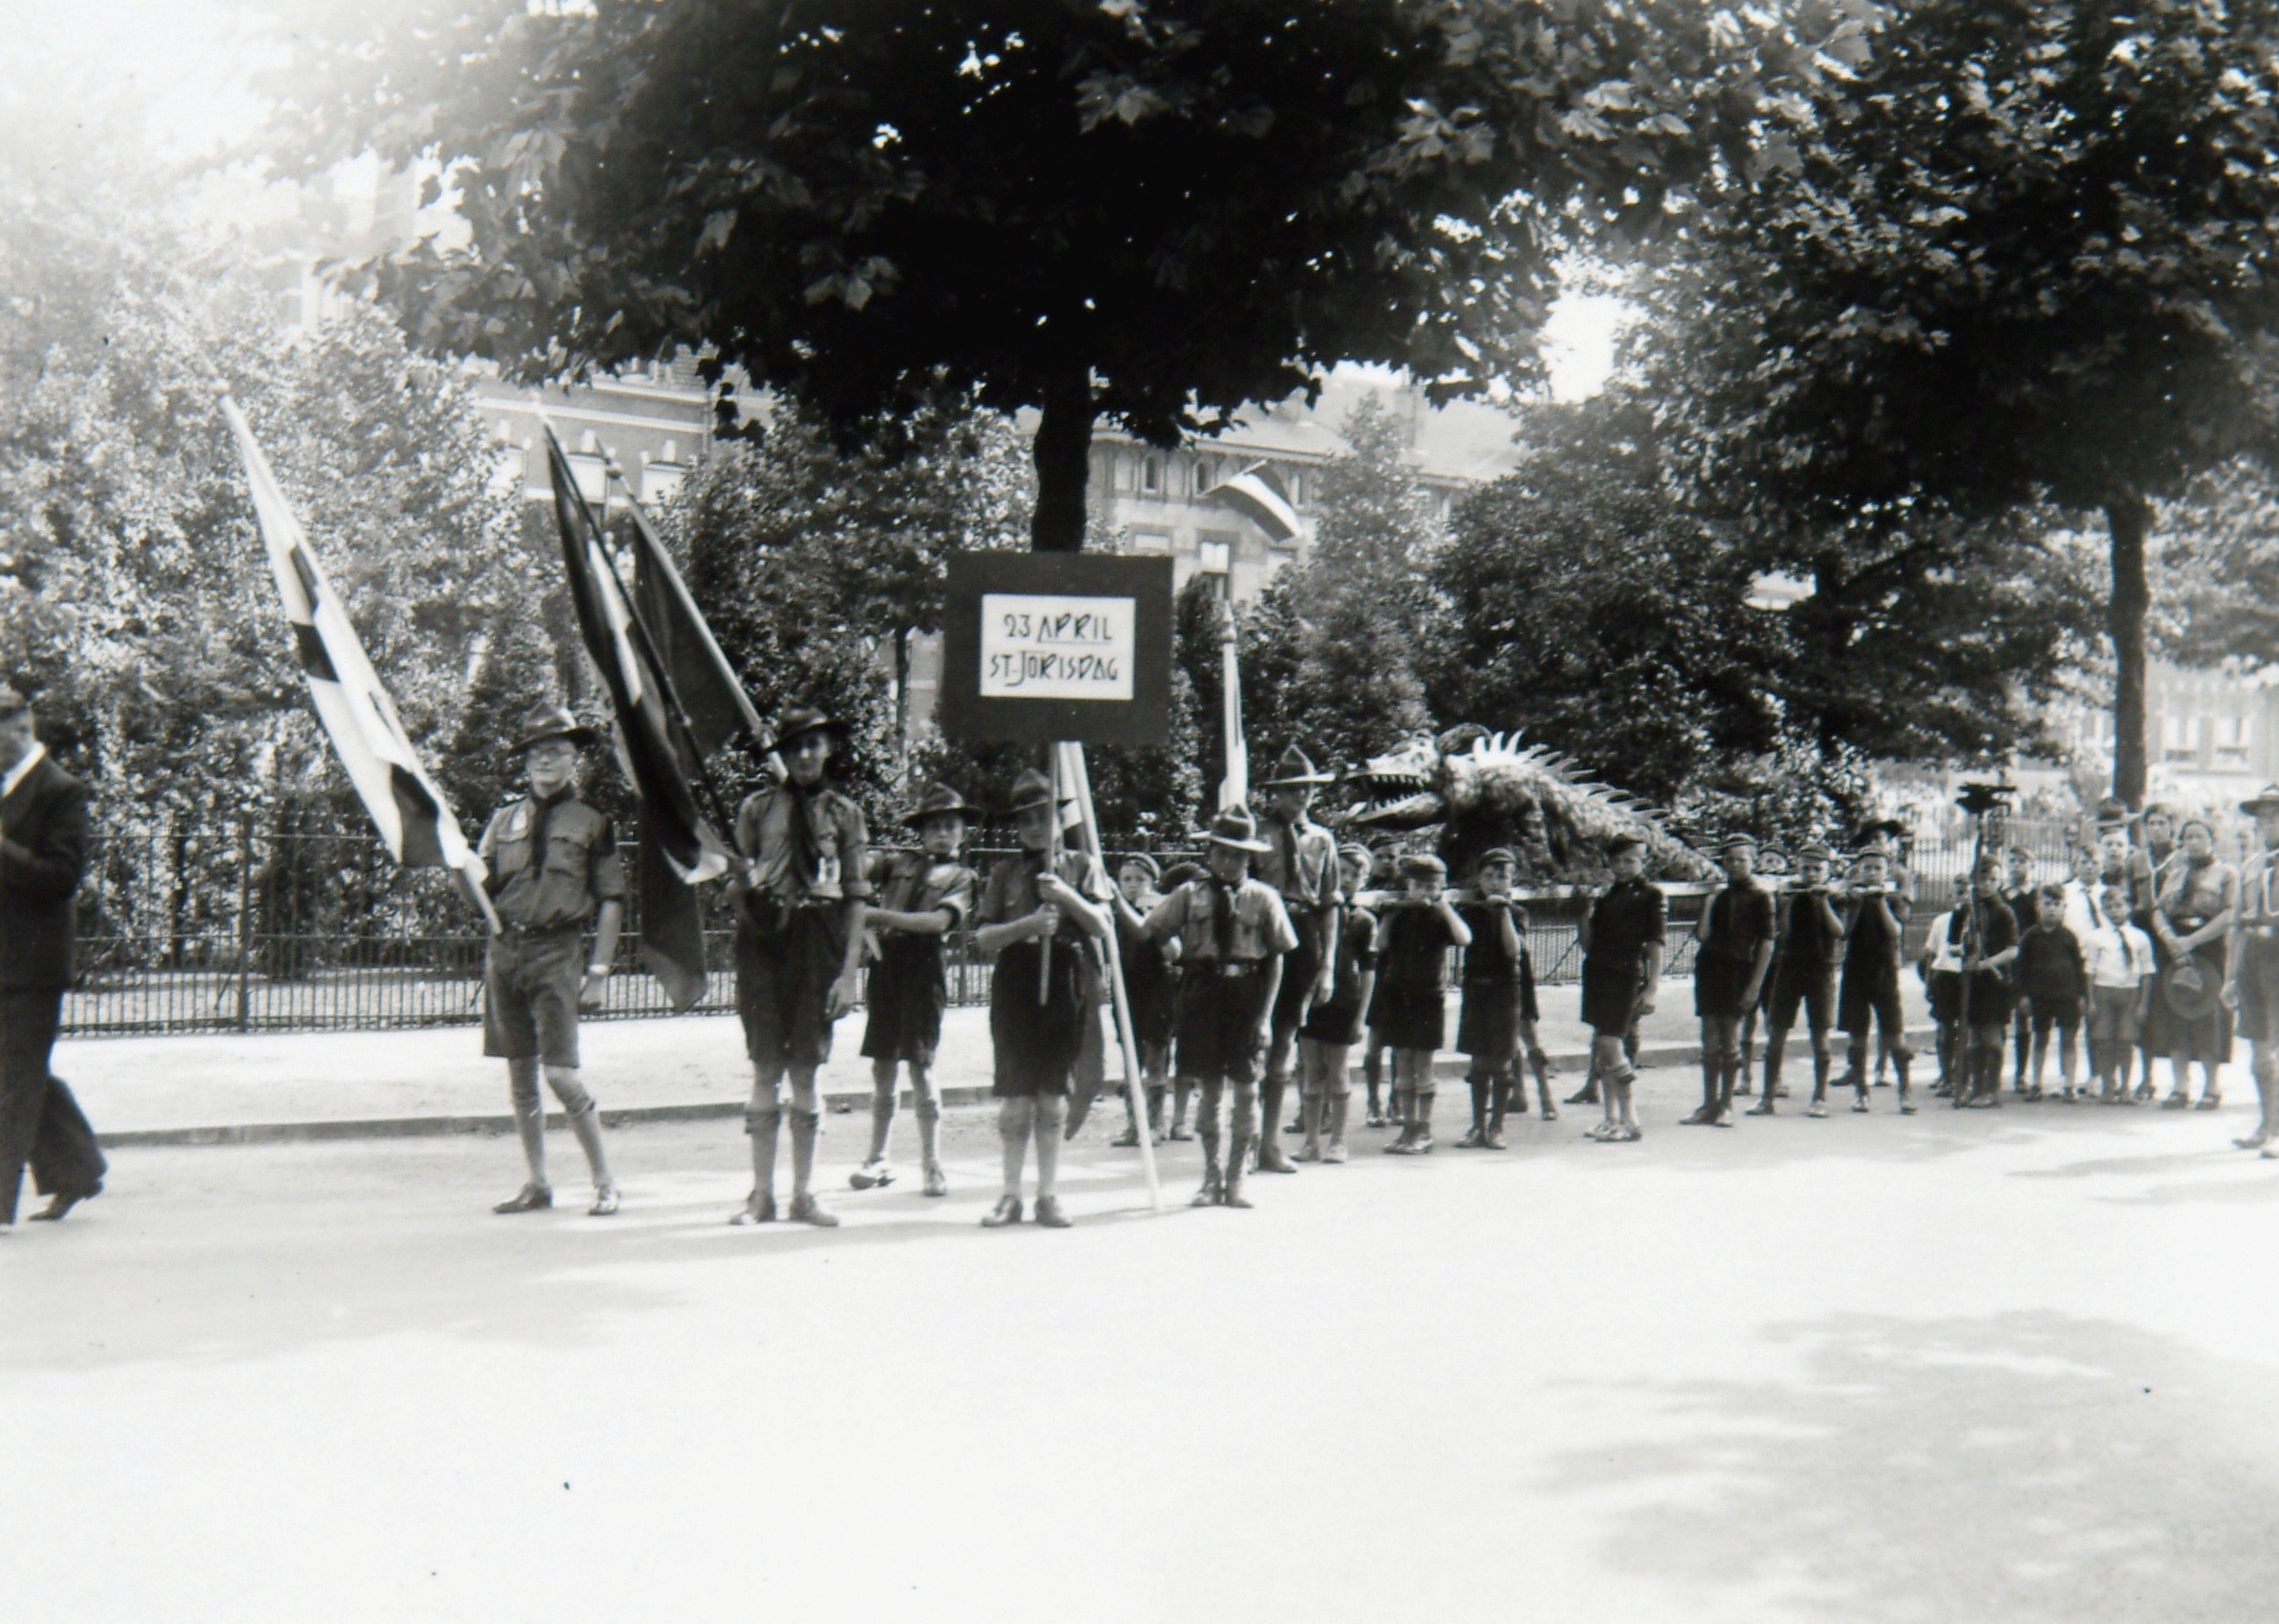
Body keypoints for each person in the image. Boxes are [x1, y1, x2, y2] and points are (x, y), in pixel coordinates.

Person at [477, 704, 624, 1218]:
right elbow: (483, 887)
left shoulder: (592, 823)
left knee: (560, 1074)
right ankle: (537, 1182)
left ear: (572, 759)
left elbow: (611, 899)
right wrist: (458, 868)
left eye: (557, 751)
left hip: (557, 953)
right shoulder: (503, 821)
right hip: (506, 952)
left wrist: (599, 971)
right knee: (520, 1076)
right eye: (537, 752)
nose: (546, 760)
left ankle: (604, 1182)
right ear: (526, 760)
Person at [728, 707, 871, 1227]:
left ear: (828, 749)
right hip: (765, 942)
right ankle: (761, 1195)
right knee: (766, 1067)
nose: (806, 754)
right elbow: (733, 885)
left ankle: (804, 1194)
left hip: (817, 942)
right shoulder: (756, 809)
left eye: (814, 744)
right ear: (783, 753)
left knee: (806, 1070)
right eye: (795, 746)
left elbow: (856, 896)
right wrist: (743, 887)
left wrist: (848, 974)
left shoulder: (845, 814)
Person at [973, 768, 1109, 1227]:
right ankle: (1010, 1195)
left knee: (1052, 1096)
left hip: (1065, 978)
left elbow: (1103, 925)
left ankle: (1048, 1195)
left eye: (1043, 816)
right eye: (1025, 819)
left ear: (1058, 819)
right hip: (1016, 979)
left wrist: (1067, 896)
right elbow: (982, 938)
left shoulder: (1083, 866)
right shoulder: (1004, 873)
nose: (1034, 826)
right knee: (1015, 1099)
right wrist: (1027, 926)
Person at [1140, 806, 1296, 1207]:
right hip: (1204, 994)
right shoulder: (1189, 894)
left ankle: (1237, 1177)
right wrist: (1177, 953)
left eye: (1239, 854)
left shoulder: (1264, 897)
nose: (1229, 862)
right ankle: (1211, 1177)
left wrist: (1265, 1018)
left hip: (1247, 994)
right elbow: (1153, 929)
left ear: (1249, 858)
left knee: (1246, 1089)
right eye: (1222, 852)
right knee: (1209, 1090)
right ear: (1209, 853)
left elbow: (1277, 958)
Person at [0, 685, 107, 1232]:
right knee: (23, 1074)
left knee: (13, 1078)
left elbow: (61, 878)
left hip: (33, 965)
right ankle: (76, 1169)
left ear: (21, 731)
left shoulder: (62, 790)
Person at [853, 783, 979, 1198]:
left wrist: (878, 915)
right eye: (933, 826)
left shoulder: (962, 877)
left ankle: (932, 1164)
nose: (941, 834)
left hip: (924, 968)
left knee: (921, 1066)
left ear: (962, 832)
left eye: (950, 826)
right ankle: (878, 1158)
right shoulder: (897, 863)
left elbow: (938, 923)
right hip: (886, 967)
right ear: (921, 831)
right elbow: (856, 866)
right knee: (882, 1065)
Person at [1253, 745, 1341, 1174]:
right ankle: (1245, 1141)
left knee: (1284, 1043)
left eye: (1306, 788)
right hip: (1262, 934)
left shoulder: (1322, 839)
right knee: (1254, 1041)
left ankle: (1269, 1145)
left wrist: (1327, 966)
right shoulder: (1258, 833)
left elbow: (1330, 905)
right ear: (1276, 793)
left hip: (1304, 936)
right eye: (1291, 789)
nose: (1300, 795)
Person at [1368, 852, 1471, 1154]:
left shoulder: (1440, 916)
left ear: (1440, 886)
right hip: (1398, 994)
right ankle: (1408, 1128)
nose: (1425, 891)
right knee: (1402, 1063)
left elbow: (1464, 938)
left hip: (1428, 996)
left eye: (1432, 886)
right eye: (1419, 885)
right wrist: (1390, 914)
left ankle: (1424, 1130)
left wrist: (1443, 905)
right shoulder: (1399, 915)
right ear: (1408, 885)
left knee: (1423, 1065)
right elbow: (1379, 944)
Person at [1454, 848, 1544, 1148]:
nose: (1495, 883)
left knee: (1502, 1064)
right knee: (1478, 1063)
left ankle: (1496, 1128)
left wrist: (1503, 910)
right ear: (1479, 880)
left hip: (1506, 993)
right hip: (1477, 991)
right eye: (1489, 876)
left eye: (1502, 877)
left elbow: (1512, 950)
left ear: (1511, 881)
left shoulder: (1516, 913)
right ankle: (1477, 1126)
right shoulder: (1470, 912)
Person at [1577, 834, 1665, 1143]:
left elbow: (1655, 944)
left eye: (1630, 860)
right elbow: (1589, 944)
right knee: (1603, 1048)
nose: (1623, 867)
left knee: (1612, 1044)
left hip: (1625, 976)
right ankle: (1610, 1118)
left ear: (1643, 861)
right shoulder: (1607, 896)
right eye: (1617, 861)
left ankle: (1630, 1119)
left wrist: (1652, 987)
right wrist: (1583, 912)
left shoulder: (1651, 895)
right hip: (1599, 975)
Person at [1296, 843, 1380, 1163]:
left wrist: (1361, 1017)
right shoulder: (1310, 915)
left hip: (1344, 1001)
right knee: (1311, 1072)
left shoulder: (1363, 921)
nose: (1345, 879)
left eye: (1353, 874)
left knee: (1338, 1072)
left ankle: (1339, 1141)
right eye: (1339, 872)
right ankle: (1310, 1141)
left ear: (1363, 880)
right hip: (1311, 1000)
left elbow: (1369, 972)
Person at [1750, 843, 1846, 1117]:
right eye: (1806, 869)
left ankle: (1820, 1098)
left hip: (1821, 970)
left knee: (1820, 1036)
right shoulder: (1790, 894)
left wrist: (1822, 901)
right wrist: (1789, 901)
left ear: (1827, 871)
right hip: (1789, 968)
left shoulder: (1836, 897)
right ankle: (1767, 1098)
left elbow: (1839, 931)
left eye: (1817, 869)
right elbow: (1784, 930)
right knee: (1776, 1034)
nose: (1811, 874)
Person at [1686, 834, 1775, 1128]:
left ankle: (1726, 1105)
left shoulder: (1762, 898)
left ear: (1753, 862)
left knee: (1730, 1039)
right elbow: (1703, 936)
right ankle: (1708, 1104)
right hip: (1710, 970)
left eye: (1741, 860)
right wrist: (1710, 903)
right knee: (1709, 1041)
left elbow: (1767, 944)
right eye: (1730, 860)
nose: (1735, 865)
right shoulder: (1719, 896)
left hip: (1738, 972)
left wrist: (1755, 986)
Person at [2153, 817, 2238, 1112]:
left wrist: (2193, 940)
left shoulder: (2226, 873)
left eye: (2199, 837)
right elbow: (2159, 911)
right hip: (2175, 948)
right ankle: (2180, 1086)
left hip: (2208, 947)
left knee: (2207, 1017)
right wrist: (2170, 939)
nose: (2192, 842)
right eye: (2187, 837)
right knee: (2176, 1013)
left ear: (2212, 840)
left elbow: (2229, 914)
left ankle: (2211, 1087)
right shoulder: (2175, 875)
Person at [1106, 852, 1178, 1147]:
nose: (1133, 885)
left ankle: (1156, 1123)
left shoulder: (1162, 910)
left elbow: (1173, 950)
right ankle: (1134, 1124)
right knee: (1131, 1058)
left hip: (1157, 988)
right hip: (1126, 988)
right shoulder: (1113, 914)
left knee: (1156, 1056)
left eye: (1140, 879)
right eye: (1126, 879)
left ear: (1153, 882)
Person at [1836, 847, 1916, 1113]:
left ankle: (1905, 1092)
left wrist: (1879, 900)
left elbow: (1895, 931)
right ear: (1858, 870)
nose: (1872, 873)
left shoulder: (1894, 897)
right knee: (1857, 1037)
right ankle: (1861, 1092)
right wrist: (1856, 900)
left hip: (1885, 972)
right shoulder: (1851, 897)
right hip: (1856, 971)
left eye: (1877, 868)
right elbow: (1844, 932)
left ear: (1886, 872)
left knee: (1895, 1035)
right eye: (1867, 868)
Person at [2229, 787, 2279, 1153]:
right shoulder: (2250, 866)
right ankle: (2266, 1123)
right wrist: (2231, 974)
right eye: (2263, 816)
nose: (2268, 822)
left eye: (2275, 814)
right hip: (2253, 959)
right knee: (2259, 1048)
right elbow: (2237, 923)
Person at [1948, 855, 2022, 1108]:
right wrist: (1965, 949)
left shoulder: (2004, 912)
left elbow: (2013, 950)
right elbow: (1952, 946)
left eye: (1993, 879)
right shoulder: (1966, 911)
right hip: (1972, 982)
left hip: (1995, 983)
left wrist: (1986, 962)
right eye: (1983, 878)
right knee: (1974, 1038)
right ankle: (1975, 1087)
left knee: (1991, 1037)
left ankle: (1992, 1090)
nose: (1988, 884)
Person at [2083, 880, 2156, 1106]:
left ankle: (2125, 1088)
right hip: (2104, 991)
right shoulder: (2096, 937)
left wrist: (2143, 1003)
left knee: (2126, 1040)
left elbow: (2147, 972)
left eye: (2118, 906)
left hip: (2130, 993)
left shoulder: (2140, 937)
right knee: (2104, 1041)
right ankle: (2108, 1086)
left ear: (2129, 907)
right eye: (2108, 908)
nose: (2114, 912)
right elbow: (2090, 971)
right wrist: (2091, 1000)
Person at [2015, 884, 2087, 1102]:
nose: (2052, 909)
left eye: (2057, 904)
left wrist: (2082, 996)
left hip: (2067, 996)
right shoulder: (2030, 937)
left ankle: (2069, 1085)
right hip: (2040, 996)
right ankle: (2036, 1084)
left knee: (2068, 1040)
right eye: (2047, 904)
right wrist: (2023, 995)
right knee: (2040, 1039)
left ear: (2064, 908)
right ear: (2038, 906)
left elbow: (2079, 968)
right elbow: (2021, 968)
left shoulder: (2069, 937)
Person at [1356, 843, 1401, 1127]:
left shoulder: (1405, 890)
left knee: (1400, 1045)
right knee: (1375, 1044)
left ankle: (1397, 1100)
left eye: (1392, 857)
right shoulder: (1364, 890)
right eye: (1380, 857)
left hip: (1401, 972)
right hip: (1375, 971)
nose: (1386, 861)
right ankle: (1373, 1101)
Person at [1917, 874, 1971, 1099]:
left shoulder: (1977, 922)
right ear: (1952, 896)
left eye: (1968, 893)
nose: (1964, 898)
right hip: (1945, 976)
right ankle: (1946, 1075)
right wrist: (1929, 981)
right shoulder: (1942, 921)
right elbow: (1930, 954)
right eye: (1959, 893)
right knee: (1945, 1029)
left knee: (1966, 1029)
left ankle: (1961, 1075)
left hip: (1967, 976)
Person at [2000, 845, 2040, 1093]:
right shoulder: (2001, 895)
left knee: (2023, 1018)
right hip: (2004, 961)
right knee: (2000, 1017)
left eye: (2021, 861)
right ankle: (1995, 1070)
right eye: (2012, 861)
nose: (2016, 866)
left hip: (2027, 962)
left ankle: (2021, 1074)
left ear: (2031, 865)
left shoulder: (2035, 896)